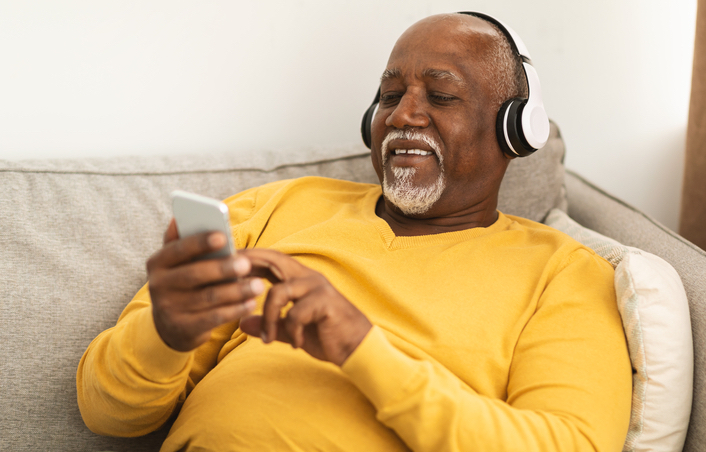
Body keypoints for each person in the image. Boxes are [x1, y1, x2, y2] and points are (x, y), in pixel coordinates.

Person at [77, 12, 632, 452]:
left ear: (514, 128)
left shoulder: (563, 274)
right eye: (390, 97)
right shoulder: (277, 207)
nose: (402, 116)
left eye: (440, 96)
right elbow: (106, 414)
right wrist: (164, 336)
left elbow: (568, 444)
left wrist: (361, 347)